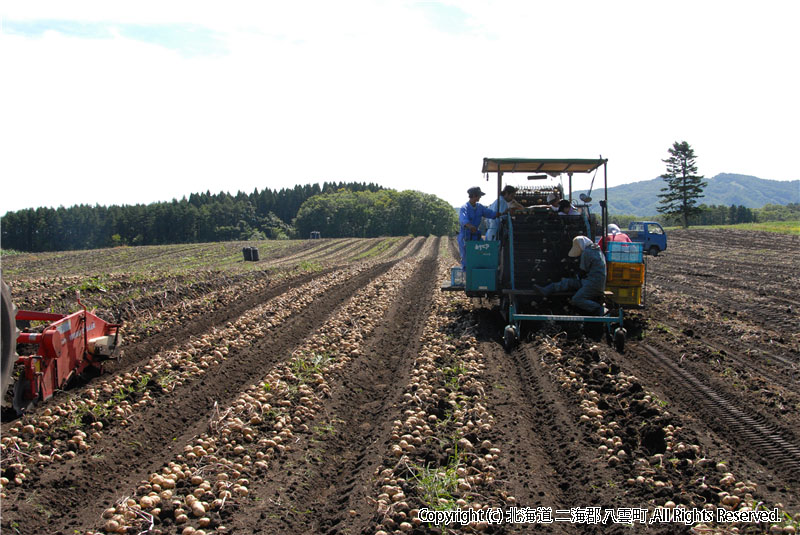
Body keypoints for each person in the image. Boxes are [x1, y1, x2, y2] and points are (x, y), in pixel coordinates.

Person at [534, 235, 606, 315]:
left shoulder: (587, 252)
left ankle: (598, 309)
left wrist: (575, 275)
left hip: (593, 284)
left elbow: (583, 271)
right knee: (568, 282)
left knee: (577, 299)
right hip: (592, 282)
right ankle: (547, 290)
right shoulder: (596, 250)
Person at [458, 187, 501, 268]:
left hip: (476, 235)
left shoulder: (480, 207)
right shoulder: (464, 208)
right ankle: (467, 274)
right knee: (466, 257)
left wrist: (500, 213)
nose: (480, 197)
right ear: (474, 195)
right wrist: (470, 226)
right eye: (479, 196)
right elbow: (463, 220)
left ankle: (478, 272)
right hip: (465, 236)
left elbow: (490, 213)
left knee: (481, 252)